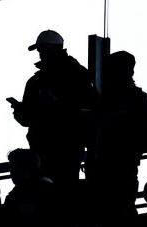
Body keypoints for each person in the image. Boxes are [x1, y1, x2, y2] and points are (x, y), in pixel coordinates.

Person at [6, 29, 97, 189]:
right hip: (64, 147)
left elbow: (90, 111)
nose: (40, 53)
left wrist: (24, 110)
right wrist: (21, 110)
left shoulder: (41, 81)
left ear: (54, 48)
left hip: (61, 148)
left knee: (53, 193)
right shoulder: (78, 75)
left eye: (42, 49)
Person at [87, 49, 147, 216]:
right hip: (113, 171)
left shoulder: (113, 101)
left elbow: (144, 138)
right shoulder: (135, 100)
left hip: (117, 171)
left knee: (115, 216)